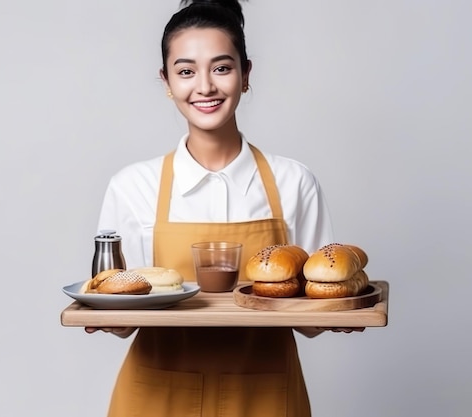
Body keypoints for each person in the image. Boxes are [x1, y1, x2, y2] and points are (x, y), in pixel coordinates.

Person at [86, 1, 357, 415]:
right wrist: (106, 315)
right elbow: (125, 312)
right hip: (156, 394)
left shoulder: (294, 182)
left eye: (222, 68)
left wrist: (337, 311)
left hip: (264, 395)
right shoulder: (131, 186)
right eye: (186, 71)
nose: (205, 87)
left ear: (246, 75)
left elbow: (308, 314)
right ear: (166, 81)